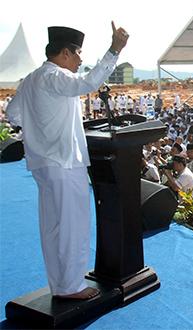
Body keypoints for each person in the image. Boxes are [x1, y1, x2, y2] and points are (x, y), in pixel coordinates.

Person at [6, 23, 128, 299]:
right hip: (63, 161)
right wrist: (114, 50)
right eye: (78, 54)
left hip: (43, 164)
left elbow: (13, 115)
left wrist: (40, 129)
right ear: (64, 53)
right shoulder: (55, 76)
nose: (80, 60)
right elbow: (88, 83)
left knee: (52, 226)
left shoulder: (31, 79)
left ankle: (60, 284)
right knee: (72, 225)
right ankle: (71, 287)